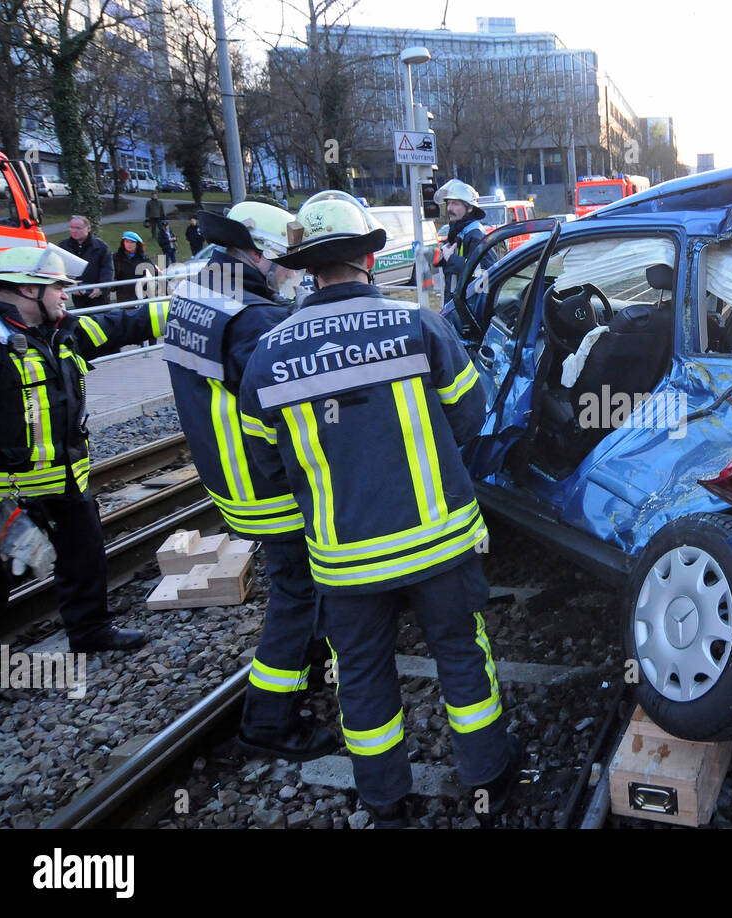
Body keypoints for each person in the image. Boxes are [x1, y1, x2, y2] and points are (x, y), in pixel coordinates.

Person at [239, 190, 519, 827]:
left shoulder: (269, 354)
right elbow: (471, 416)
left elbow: (267, 465)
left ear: (306, 266)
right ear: (370, 255)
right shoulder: (416, 324)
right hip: (439, 542)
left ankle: (386, 803)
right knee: (461, 656)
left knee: (360, 676)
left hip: (344, 562)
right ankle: (489, 781)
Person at [161, 200, 334, 761]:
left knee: (296, 587)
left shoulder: (197, 291)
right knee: (298, 592)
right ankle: (270, 721)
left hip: (228, 477)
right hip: (270, 485)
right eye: (287, 260)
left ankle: (309, 675)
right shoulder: (255, 320)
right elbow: (293, 405)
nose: (294, 272)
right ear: (258, 251)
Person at [0, 246, 168, 652]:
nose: (66, 294)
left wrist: (189, 310)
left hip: (65, 477)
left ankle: (91, 632)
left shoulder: (61, 330)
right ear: (28, 290)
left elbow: (124, 325)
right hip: (3, 493)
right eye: (57, 287)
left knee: (84, 559)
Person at [434, 179, 498, 324]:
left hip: (469, 311)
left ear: (469, 208)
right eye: (448, 203)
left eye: (455, 204)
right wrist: (442, 257)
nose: (450, 208)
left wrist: (452, 259)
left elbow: (485, 273)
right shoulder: (459, 231)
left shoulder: (475, 234)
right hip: (457, 307)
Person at [57, 215, 113, 309]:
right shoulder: (63, 247)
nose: (73, 230)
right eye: (71, 227)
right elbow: (58, 268)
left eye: (78, 228)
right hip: (77, 294)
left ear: (88, 228)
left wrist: (102, 287)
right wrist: (70, 284)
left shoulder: (101, 247)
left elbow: (107, 269)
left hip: (98, 294)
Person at [112, 231, 156, 303]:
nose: (129, 244)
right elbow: (113, 274)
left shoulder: (144, 258)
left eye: (132, 242)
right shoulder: (116, 258)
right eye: (126, 241)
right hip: (124, 296)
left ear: (137, 244)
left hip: (142, 296)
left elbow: (154, 273)